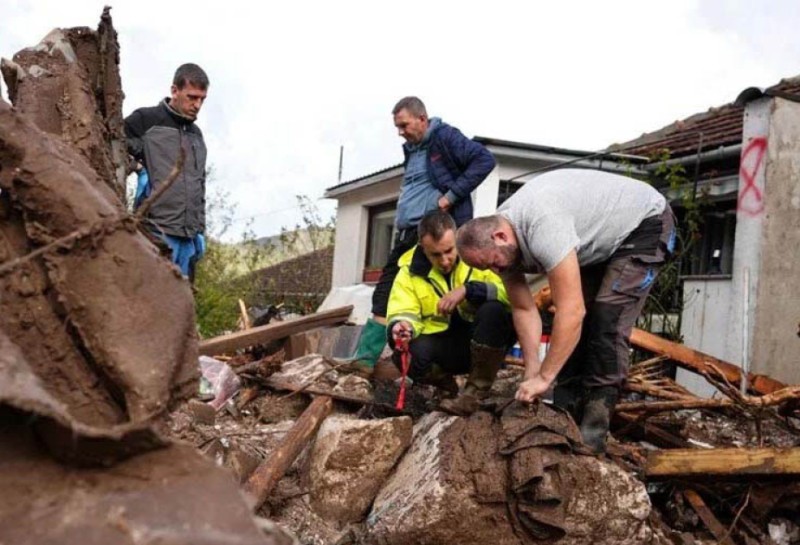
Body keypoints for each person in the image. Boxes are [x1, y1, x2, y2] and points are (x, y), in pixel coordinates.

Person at [456, 168, 675, 452]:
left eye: (493, 263)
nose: (496, 270)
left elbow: (572, 312)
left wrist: (546, 378)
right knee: (577, 326)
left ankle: (595, 427)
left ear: (500, 236)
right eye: (487, 268)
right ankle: (567, 412)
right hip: (599, 240)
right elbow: (524, 308)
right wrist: (532, 371)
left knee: (606, 318)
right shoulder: (500, 244)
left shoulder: (543, 226)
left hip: (645, 222)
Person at [353, 96, 496, 375]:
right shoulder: (413, 149)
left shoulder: (444, 137)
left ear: (422, 119)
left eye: (404, 124)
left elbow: (484, 159)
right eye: (397, 126)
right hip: (411, 233)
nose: (400, 132)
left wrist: (450, 197)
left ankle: (454, 367)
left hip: (437, 233)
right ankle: (365, 363)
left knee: (441, 293)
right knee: (388, 290)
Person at [386, 210, 515, 415]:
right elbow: (402, 310)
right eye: (435, 255)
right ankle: (447, 388)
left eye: (449, 251)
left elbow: (513, 296)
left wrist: (471, 290)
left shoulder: (480, 252)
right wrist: (402, 326)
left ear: (457, 239)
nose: (445, 261)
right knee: (407, 354)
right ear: (422, 248)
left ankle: (474, 394)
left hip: (483, 338)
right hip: (444, 345)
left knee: (494, 310)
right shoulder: (407, 272)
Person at [125, 63, 210, 279]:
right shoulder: (146, 121)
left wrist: (200, 230)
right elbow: (112, 143)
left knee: (182, 306)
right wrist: (137, 166)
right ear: (175, 90)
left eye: (202, 99)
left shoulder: (196, 135)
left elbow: (199, 184)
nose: (197, 104)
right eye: (192, 97)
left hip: (189, 239)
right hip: (156, 232)